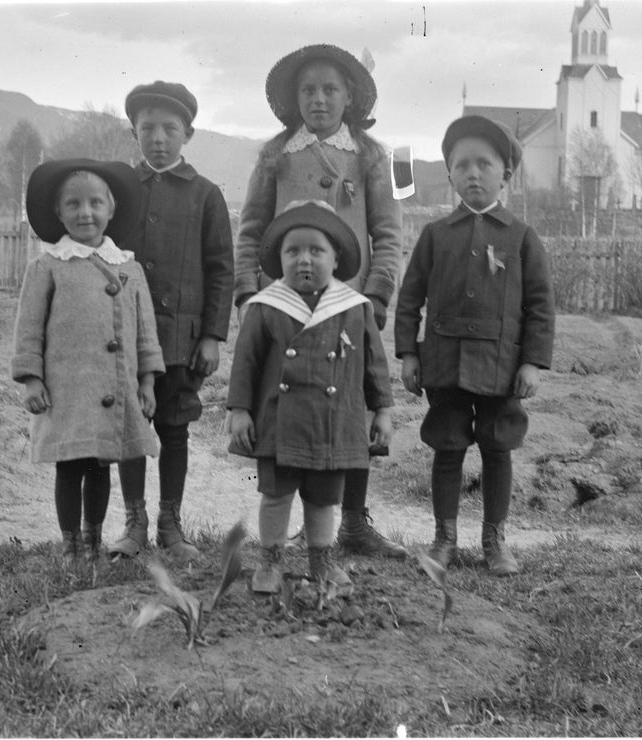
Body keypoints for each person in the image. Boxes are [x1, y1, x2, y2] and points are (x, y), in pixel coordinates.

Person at [234, 43, 406, 559]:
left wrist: (375, 295)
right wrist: (249, 292)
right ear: (294, 98)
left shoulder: (379, 156)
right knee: (286, 407)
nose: (319, 99)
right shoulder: (274, 155)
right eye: (308, 90)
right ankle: (284, 522)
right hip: (286, 307)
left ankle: (352, 521)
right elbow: (250, 230)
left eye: (330, 89)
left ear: (350, 95)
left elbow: (391, 233)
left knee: (349, 411)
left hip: (347, 306)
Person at [394, 116, 555, 576]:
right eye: (461, 165)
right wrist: (409, 352)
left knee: (497, 448)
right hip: (444, 362)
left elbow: (542, 307)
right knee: (447, 448)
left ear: (506, 174)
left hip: (500, 366)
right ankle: (444, 539)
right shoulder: (435, 235)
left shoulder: (521, 238)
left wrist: (532, 364)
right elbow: (410, 299)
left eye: (484, 164)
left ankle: (494, 541)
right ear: (449, 176)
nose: (473, 173)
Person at [228, 200, 394, 595]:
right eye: (293, 251)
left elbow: (375, 365)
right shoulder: (266, 306)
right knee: (275, 495)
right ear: (279, 259)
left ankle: (321, 561)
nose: (304, 260)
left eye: (316, 251)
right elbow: (245, 364)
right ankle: (270, 561)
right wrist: (239, 411)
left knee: (323, 500)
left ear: (336, 258)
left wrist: (383, 411)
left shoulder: (354, 308)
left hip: (333, 422)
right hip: (278, 422)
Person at [11, 159, 165, 562]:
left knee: (101, 466)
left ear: (111, 210)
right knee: (70, 466)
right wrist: (32, 379)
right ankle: (70, 545)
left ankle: (93, 540)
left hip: (115, 387)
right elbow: (29, 328)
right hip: (67, 390)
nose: (85, 213)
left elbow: (145, 332)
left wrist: (147, 381)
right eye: (74, 204)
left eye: (96, 203)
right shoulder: (47, 266)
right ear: (58, 212)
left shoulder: (128, 266)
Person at [106, 81, 235, 562]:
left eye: (169, 129)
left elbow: (222, 268)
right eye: (147, 128)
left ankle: (171, 524)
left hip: (182, 340)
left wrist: (212, 335)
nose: (158, 138)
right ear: (133, 131)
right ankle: (134, 523)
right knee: (132, 428)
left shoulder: (205, 196)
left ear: (189, 133)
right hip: (129, 339)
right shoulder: (120, 191)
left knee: (175, 427)